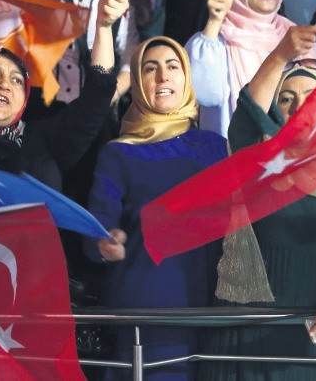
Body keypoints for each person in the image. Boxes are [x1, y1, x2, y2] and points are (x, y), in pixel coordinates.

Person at [202, 29, 316, 381]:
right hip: (247, 343)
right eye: (285, 99)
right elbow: (246, 116)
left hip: (315, 345)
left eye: (311, 97)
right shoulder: (256, 167)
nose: (298, 107)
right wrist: (280, 54)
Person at [85, 36, 227, 380]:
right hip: (148, 313)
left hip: (216, 308)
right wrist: (105, 243)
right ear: (138, 82)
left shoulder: (215, 147)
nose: (163, 77)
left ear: (186, 79)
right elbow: (95, 230)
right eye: (151, 69)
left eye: (173, 67)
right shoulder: (119, 152)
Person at [0, 0, 128, 190]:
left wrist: (103, 27)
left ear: (25, 97)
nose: (5, 84)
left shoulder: (45, 142)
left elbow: (98, 94)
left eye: (17, 80)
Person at [186, 0, 316, 138]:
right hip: (235, 160)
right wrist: (214, 21)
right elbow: (201, 93)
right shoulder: (214, 43)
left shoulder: (297, 37)